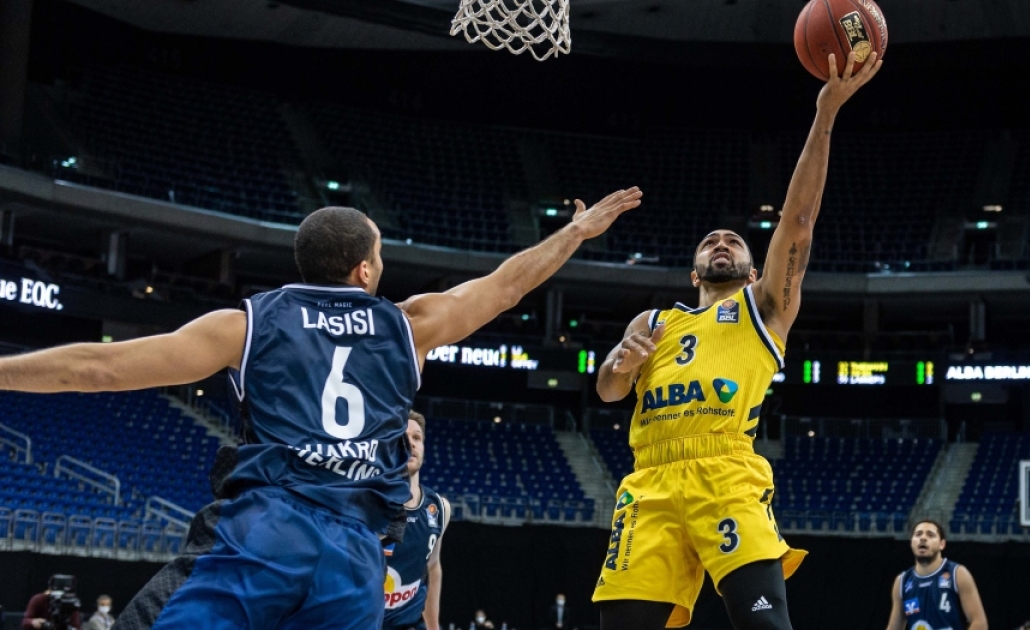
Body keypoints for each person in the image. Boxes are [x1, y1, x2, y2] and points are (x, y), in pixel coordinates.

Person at [0, 189, 641, 630]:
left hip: (265, 532)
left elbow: (100, 368)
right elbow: (505, 287)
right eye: (381, 255)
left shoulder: (245, 325)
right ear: (364, 270)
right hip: (356, 555)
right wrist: (576, 232)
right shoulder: (408, 325)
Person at [591, 53, 882, 630]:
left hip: (726, 474)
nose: (721, 243)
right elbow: (606, 390)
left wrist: (825, 113)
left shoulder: (764, 309)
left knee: (763, 625)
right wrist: (620, 364)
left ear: (753, 273)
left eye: (733, 241)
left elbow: (799, 222)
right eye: (710, 242)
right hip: (648, 482)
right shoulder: (651, 322)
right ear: (693, 273)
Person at [382, 411, 449, 630]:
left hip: (407, 623)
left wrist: (433, 626)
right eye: (402, 437)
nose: (411, 443)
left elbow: (433, 567)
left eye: (417, 438)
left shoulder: (439, 507)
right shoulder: (368, 503)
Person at [885, 520, 987, 630]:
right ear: (911, 543)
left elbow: (980, 623)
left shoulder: (957, 573)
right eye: (918, 534)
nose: (923, 538)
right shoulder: (902, 581)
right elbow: (894, 627)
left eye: (930, 535)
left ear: (942, 544)